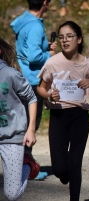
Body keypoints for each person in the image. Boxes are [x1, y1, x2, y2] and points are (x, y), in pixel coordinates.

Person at [37, 20, 89, 201]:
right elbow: (40, 88)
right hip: (58, 115)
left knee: (75, 163)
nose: (65, 40)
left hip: (79, 116)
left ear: (79, 39)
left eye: (70, 36)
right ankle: (64, 174)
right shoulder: (53, 63)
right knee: (60, 168)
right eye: (61, 37)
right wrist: (49, 95)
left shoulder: (87, 64)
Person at [10, 0, 57, 180]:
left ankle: (19, 163)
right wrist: (49, 55)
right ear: (45, 2)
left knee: (21, 122)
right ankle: (25, 167)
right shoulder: (36, 27)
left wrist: (45, 47)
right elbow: (33, 56)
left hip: (21, 76)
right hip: (33, 80)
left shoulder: (23, 20)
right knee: (31, 124)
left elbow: (26, 48)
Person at [0, 37, 39, 200]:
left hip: (12, 136)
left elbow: (32, 98)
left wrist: (31, 130)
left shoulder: (10, 74)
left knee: (12, 194)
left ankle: (28, 165)